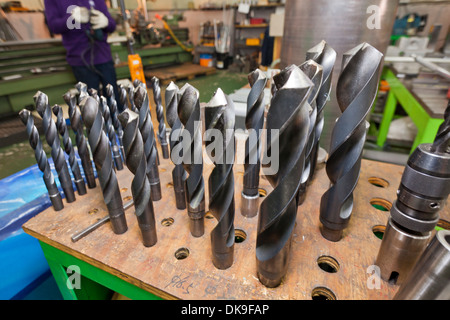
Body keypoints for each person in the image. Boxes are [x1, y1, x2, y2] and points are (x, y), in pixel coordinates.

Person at [44, 0, 124, 111]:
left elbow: (111, 26)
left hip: (103, 56)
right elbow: (54, 27)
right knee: (91, 106)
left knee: (114, 100)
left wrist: (106, 22)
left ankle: (118, 125)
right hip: (80, 60)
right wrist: (71, 18)